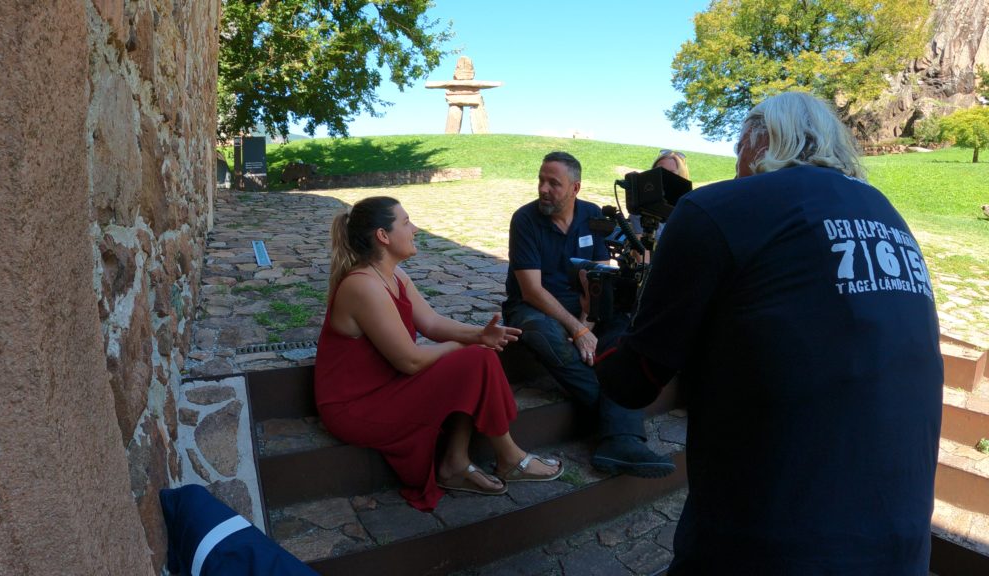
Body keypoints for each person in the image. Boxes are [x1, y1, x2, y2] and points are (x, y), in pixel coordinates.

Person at [596, 91, 943, 574]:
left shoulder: (716, 208)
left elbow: (632, 383)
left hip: (773, 545)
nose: (737, 165)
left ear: (760, 143)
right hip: (903, 545)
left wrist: (606, 328)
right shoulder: (886, 214)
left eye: (739, 149)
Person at [315, 196, 563, 512]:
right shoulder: (362, 286)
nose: (415, 229)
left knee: (476, 358)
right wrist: (463, 347)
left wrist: (479, 335)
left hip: (387, 386)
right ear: (383, 236)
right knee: (473, 360)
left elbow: (431, 322)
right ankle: (510, 459)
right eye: (406, 222)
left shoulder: (391, 275)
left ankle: (457, 464)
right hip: (355, 406)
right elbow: (410, 360)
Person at [502, 151, 675, 478]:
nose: (543, 188)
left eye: (554, 183)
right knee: (542, 333)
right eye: (541, 180)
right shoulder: (525, 219)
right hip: (532, 306)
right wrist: (577, 331)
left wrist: (587, 322)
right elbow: (532, 291)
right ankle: (620, 425)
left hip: (582, 303)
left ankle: (619, 441)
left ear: (575, 187)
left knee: (625, 323)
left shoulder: (593, 215)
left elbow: (596, 279)